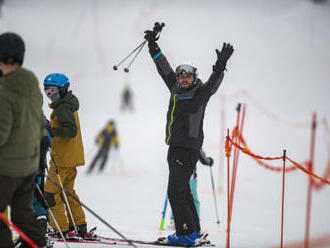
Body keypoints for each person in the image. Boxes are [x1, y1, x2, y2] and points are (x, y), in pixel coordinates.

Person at [144, 22, 234, 245]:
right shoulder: (175, 89)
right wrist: (153, 46)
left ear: (194, 77)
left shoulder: (200, 93)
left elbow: (213, 83)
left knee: (175, 192)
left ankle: (184, 235)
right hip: (176, 146)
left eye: (188, 77)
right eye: (181, 77)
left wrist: (220, 64)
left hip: (187, 148)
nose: (184, 80)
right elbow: (164, 69)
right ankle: (193, 232)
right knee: (182, 191)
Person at [0, 32, 48, 247]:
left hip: (7, 169)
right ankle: (37, 244)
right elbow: (39, 122)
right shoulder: (32, 84)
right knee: (22, 215)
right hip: (28, 166)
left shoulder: (4, 91)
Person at [42, 73, 95, 240]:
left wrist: (51, 131)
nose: (50, 94)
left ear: (63, 90)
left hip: (62, 159)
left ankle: (61, 229)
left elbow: (70, 130)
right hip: (70, 157)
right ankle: (78, 226)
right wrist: (51, 126)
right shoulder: (67, 104)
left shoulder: (62, 107)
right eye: (47, 90)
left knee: (50, 194)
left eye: (53, 91)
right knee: (68, 192)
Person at [169, 149, 214, 229]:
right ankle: (189, 221)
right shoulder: (193, 140)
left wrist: (207, 161)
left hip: (181, 171)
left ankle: (175, 219)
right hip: (188, 174)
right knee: (189, 198)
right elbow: (200, 154)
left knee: (178, 195)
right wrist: (208, 161)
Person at [32, 128, 50, 232]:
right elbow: (48, 141)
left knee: (32, 194)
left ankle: (40, 221)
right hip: (39, 165)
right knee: (38, 193)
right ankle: (42, 219)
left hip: (31, 165)